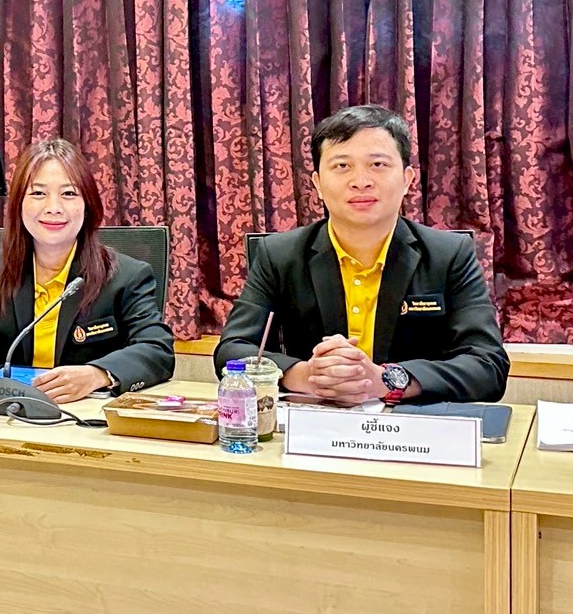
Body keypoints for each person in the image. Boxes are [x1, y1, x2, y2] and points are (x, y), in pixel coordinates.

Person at [214, 104, 508, 404]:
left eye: (378, 164)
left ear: (407, 179)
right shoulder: (279, 255)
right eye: (342, 166)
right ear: (317, 184)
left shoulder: (449, 255)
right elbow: (232, 350)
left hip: (414, 422)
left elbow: (488, 366)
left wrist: (387, 380)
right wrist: (307, 376)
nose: (361, 181)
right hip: (316, 419)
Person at [0, 138, 175, 404]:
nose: (53, 208)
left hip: (82, 415)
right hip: (0, 410)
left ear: (87, 205)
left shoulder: (126, 276)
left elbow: (156, 349)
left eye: (69, 194)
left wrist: (97, 374)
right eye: (38, 194)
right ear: (19, 204)